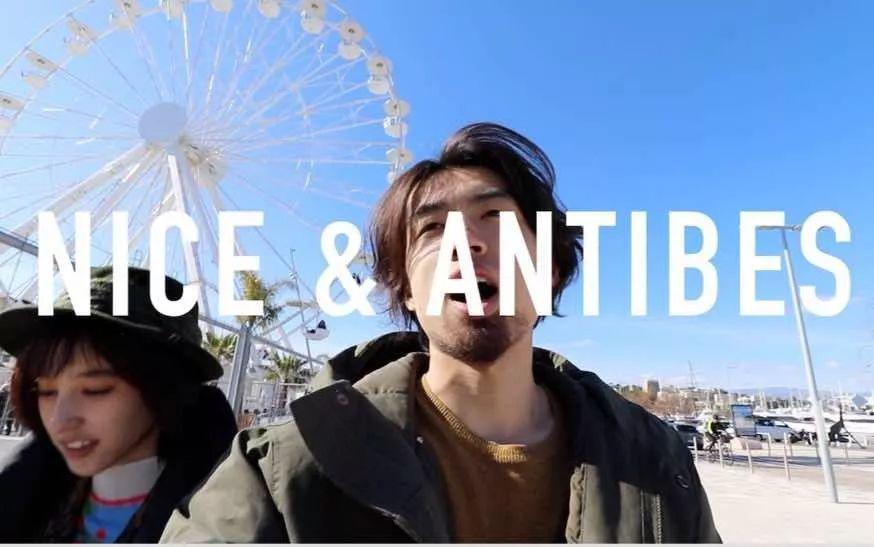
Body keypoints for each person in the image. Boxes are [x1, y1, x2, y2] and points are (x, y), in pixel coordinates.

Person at [161, 122, 721, 542]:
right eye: (431, 229)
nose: (465, 242)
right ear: (405, 288)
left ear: (550, 271)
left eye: (495, 218)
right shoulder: (282, 469)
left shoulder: (656, 462)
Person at [0, 266, 237, 542]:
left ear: (164, 389)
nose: (59, 419)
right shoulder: (23, 499)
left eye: (95, 390)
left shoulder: (233, 526)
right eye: (46, 392)